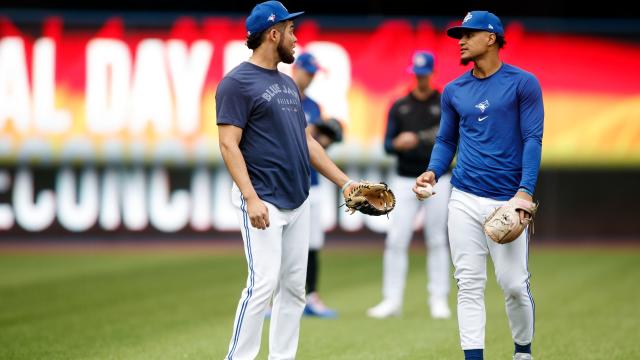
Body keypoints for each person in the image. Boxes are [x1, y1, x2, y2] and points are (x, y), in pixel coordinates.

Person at [216, 2, 358, 359]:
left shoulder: (287, 85)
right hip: (263, 198)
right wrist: (250, 197)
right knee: (261, 285)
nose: (297, 38)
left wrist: (345, 183)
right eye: (291, 31)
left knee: (294, 290)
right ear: (273, 33)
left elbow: (307, 143)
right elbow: (228, 143)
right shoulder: (236, 82)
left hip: (298, 200)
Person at [413, 11, 544, 360]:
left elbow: (533, 138)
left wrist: (524, 192)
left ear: (491, 38)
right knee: (469, 284)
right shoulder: (455, 90)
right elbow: (445, 141)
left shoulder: (523, 83)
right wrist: (432, 170)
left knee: (514, 285)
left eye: (468, 34)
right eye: (460, 35)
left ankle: (522, 351)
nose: (461, 40)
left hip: (508, 199)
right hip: (465, 197)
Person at [367, 51, 453, 320]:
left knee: (437, 238)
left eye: (425, 74)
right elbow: (387, 144)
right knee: (396, 239)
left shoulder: (445, 103)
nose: (421, 79)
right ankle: (392, 300)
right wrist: (397, 144)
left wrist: (415, 139)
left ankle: (438, 299)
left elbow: (450, 137)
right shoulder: (399, 105)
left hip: (437, 178)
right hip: (403, 179)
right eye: (417, 74)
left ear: (433, 74)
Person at [292, 52, 340, 318]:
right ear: (296, 68)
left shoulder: (313, 106)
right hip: (288, 181)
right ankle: (273, 299)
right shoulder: (279, 97)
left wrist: (326, 139)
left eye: (313, 73)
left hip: (313, 181)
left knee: (313, 244)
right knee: (283, 244)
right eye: (307, 72)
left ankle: (311, 296)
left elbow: (316, 145)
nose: (309, 78)